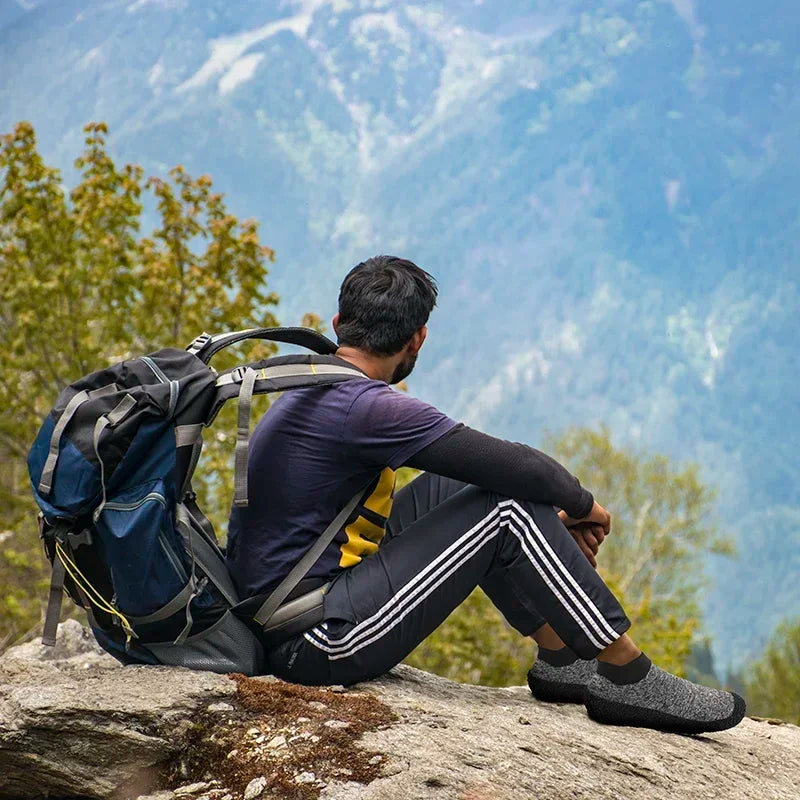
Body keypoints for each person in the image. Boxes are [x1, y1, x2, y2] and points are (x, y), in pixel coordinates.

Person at [226, 255, 746, 734]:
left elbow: (494, 469)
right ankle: (627, 675)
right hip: (311, 640)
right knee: (507, 507)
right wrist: (587, 507)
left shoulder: (309, 384)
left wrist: (556, 518)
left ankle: (562, 658)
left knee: (471, 486)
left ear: (338, 326)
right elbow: (520, 466)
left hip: (296, 602)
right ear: (418, 339)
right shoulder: (366, 407)